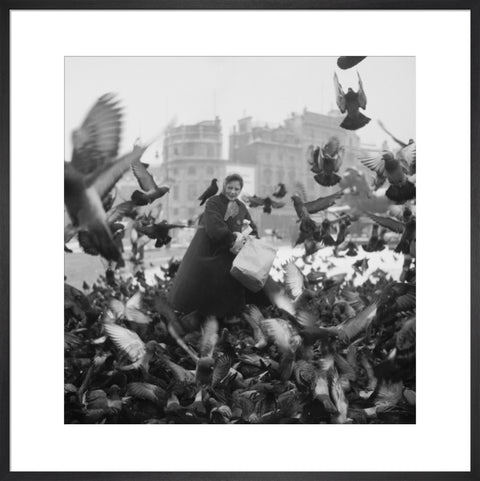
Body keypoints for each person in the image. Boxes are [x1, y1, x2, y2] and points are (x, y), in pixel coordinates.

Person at [170, 173, 267, 320]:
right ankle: (210, 317)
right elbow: (215, 226)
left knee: (244, 281)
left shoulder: (241, 207)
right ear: (224, 186)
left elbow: (252, 228)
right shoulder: (213, 203)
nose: (233, 192)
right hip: (213, 250)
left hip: (235, 252)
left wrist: (251, 238)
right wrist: (232, 238)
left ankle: (234, 315)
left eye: (236, 189)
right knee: (213, 283)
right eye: (230, 188)